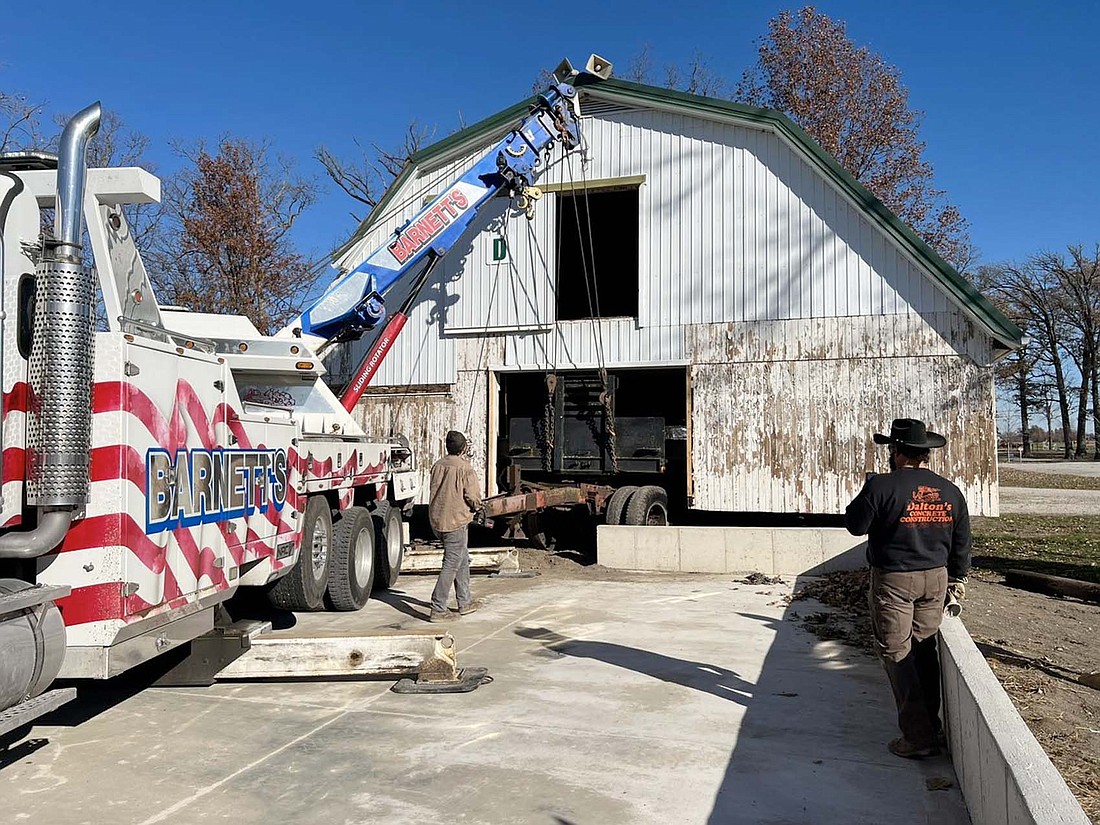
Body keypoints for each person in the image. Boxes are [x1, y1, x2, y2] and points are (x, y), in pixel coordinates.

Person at [845, 418, 970, 759]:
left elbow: (855, 526)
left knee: (897, 652)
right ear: (925, 453)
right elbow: (962, 542)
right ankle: (933, 725)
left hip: (896, 581)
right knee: (924, 650)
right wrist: (957, 578)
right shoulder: (950, 491)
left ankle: (918, 737)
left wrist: (867, 491)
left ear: (897, 452)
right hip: (937, 578)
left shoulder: (882, 487)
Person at [427, 430, 483, 623]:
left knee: (461, 557)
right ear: (464, 448)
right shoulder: (464, 468)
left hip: (437, 519)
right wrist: (478, 508)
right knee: (452, 561)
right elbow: (472, 496)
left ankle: (465, 602)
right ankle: (438, 607)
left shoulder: (437, 465)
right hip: (455, 521)